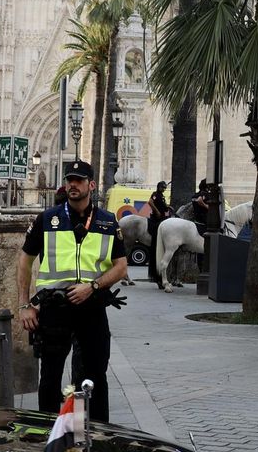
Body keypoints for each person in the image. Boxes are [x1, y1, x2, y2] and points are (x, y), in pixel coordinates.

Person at [17, 160, 127, 422]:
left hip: (91, 306)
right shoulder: (47, 218)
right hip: (54, 307)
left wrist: (93, 287)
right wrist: (25, 305)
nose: (72, 185)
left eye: (78, 180)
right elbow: (24, 260)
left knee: (96, 374)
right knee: (51, 375)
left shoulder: (107, 222)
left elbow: (121, 267)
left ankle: (98, 434)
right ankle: (49, 434)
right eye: (69, 180)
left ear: (91, 185)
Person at [147, 180, 172, 285]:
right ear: (158, 187)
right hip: (156, 219)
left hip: (162, 217)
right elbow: (150, 202)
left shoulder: (161, 196)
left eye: (164, 188)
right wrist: (157, 211)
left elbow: (164, 206)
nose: (164, 189)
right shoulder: (155, 194)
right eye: (162, 187)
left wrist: (168, 207)